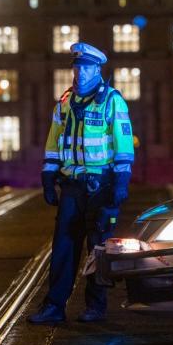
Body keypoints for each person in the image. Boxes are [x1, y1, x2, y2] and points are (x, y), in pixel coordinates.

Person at [27, 42, 135, 324]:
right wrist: (48, 177)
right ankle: (54, 307)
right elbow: (53, 144)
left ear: (97, 69)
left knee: (97, 250)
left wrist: (121, 182)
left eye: (86, 67)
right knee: (63, 247)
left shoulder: (113, 100)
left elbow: (123, 146)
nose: (81, 72)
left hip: (101, 185)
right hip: (72, 186)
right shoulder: (64, 103)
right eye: (77, 67)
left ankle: (95, 306)